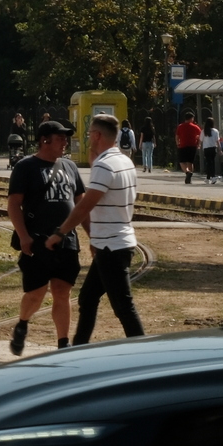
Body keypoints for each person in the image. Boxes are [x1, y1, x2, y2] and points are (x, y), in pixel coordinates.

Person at [49, 113, 145, 344]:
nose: (88, 137)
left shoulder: (105, 165)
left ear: (97, 135)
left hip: (112, 246)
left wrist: (60, 233)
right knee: (88, 298)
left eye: (90, 133)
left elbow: (84, 206)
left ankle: (144, 352)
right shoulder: (124, 161)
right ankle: (79, 348)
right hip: (113, 242)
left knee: (123, 306)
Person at [6, 120, 83, 355]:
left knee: (62, 291)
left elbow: (81, 205)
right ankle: (23, 323)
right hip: (37, 241)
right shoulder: (26, 167)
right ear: (44, 140)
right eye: (60, 138)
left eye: (65, 138)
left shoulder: (70, 167)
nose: (65, 142)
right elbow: (13, 204)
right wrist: (23, 236)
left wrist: (93, 237)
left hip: (66, 241)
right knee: (36, 294)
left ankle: (63, 344)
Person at [174, 115, 201, 184]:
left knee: (182, 162)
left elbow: (177, 136)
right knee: (190, 162)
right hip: (192, 146)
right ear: (191, 118)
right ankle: (190, 177)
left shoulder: (180, 126)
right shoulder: (195, 127)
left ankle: (187, 172)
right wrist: (198, 144)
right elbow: (200, 136)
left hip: (183, 145)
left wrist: (178, 144)